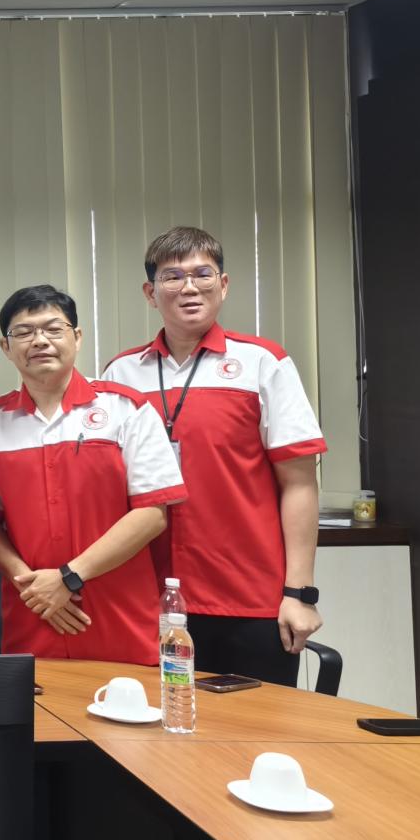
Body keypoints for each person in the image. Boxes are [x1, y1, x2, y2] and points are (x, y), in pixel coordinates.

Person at [100, 226, 328, 684]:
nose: (189, 287)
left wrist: (299, 593)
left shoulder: (263, 363)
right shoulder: (121, 373)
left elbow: (300, 483)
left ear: (223, 285)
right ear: (150, 293)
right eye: (172, 277)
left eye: (202, 274)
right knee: (163, 721)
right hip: (149, 598)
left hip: (248, 597)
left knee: (258, 723)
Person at [0, 287, 185, 666]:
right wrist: (34, 588)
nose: (40, 341)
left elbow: (152, 514)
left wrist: (68, 578)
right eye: (24, 332)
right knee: (36, 703)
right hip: (33, 616)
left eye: (54, 329)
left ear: (77, 337)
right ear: (6, 347)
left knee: (127, 702)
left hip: (119, 617)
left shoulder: (126, 409)